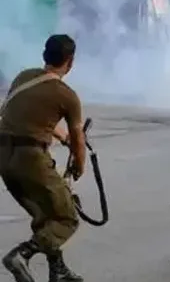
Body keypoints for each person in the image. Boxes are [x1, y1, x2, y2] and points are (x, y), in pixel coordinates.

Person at [0, 35, 85, 282]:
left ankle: (57, 270)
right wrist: (79, 165)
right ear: (70, 61)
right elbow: (78, 139)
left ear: (44, 55)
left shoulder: (23, 77)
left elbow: (17, 114)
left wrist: (60, 136)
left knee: (46, 215)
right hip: (31, 158)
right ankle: (20, 256)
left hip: (4, 155)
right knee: (67, 217)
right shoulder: (67, 95)